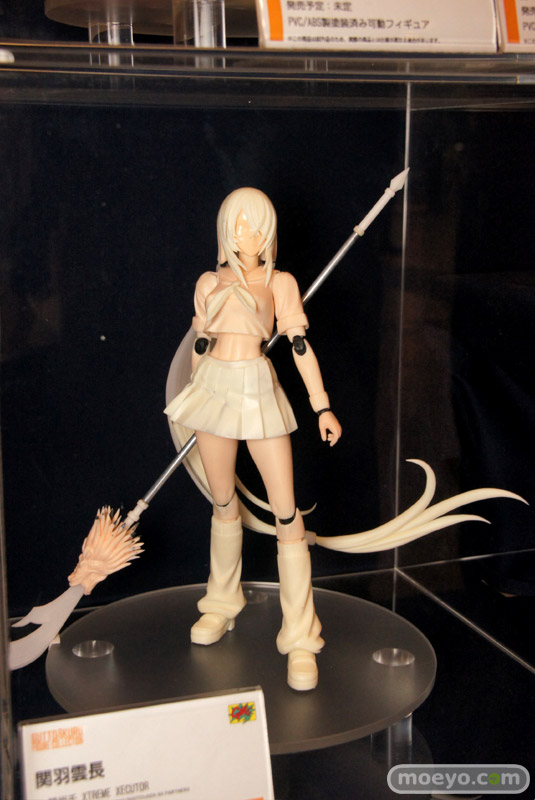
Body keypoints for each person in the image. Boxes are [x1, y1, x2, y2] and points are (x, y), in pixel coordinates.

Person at [165, 187, 341, 691]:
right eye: (240, 223)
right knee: (223, 502)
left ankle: (301, 635)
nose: (250, 234)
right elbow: (200, 342)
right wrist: (190, 397)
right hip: (213, 388)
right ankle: (222, 602)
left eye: (259, 223)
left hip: (258, 388)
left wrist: (322, 405)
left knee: (286, 512)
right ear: (226, 229)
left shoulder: (280, 282)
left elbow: (299, 345)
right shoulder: (208, 282)